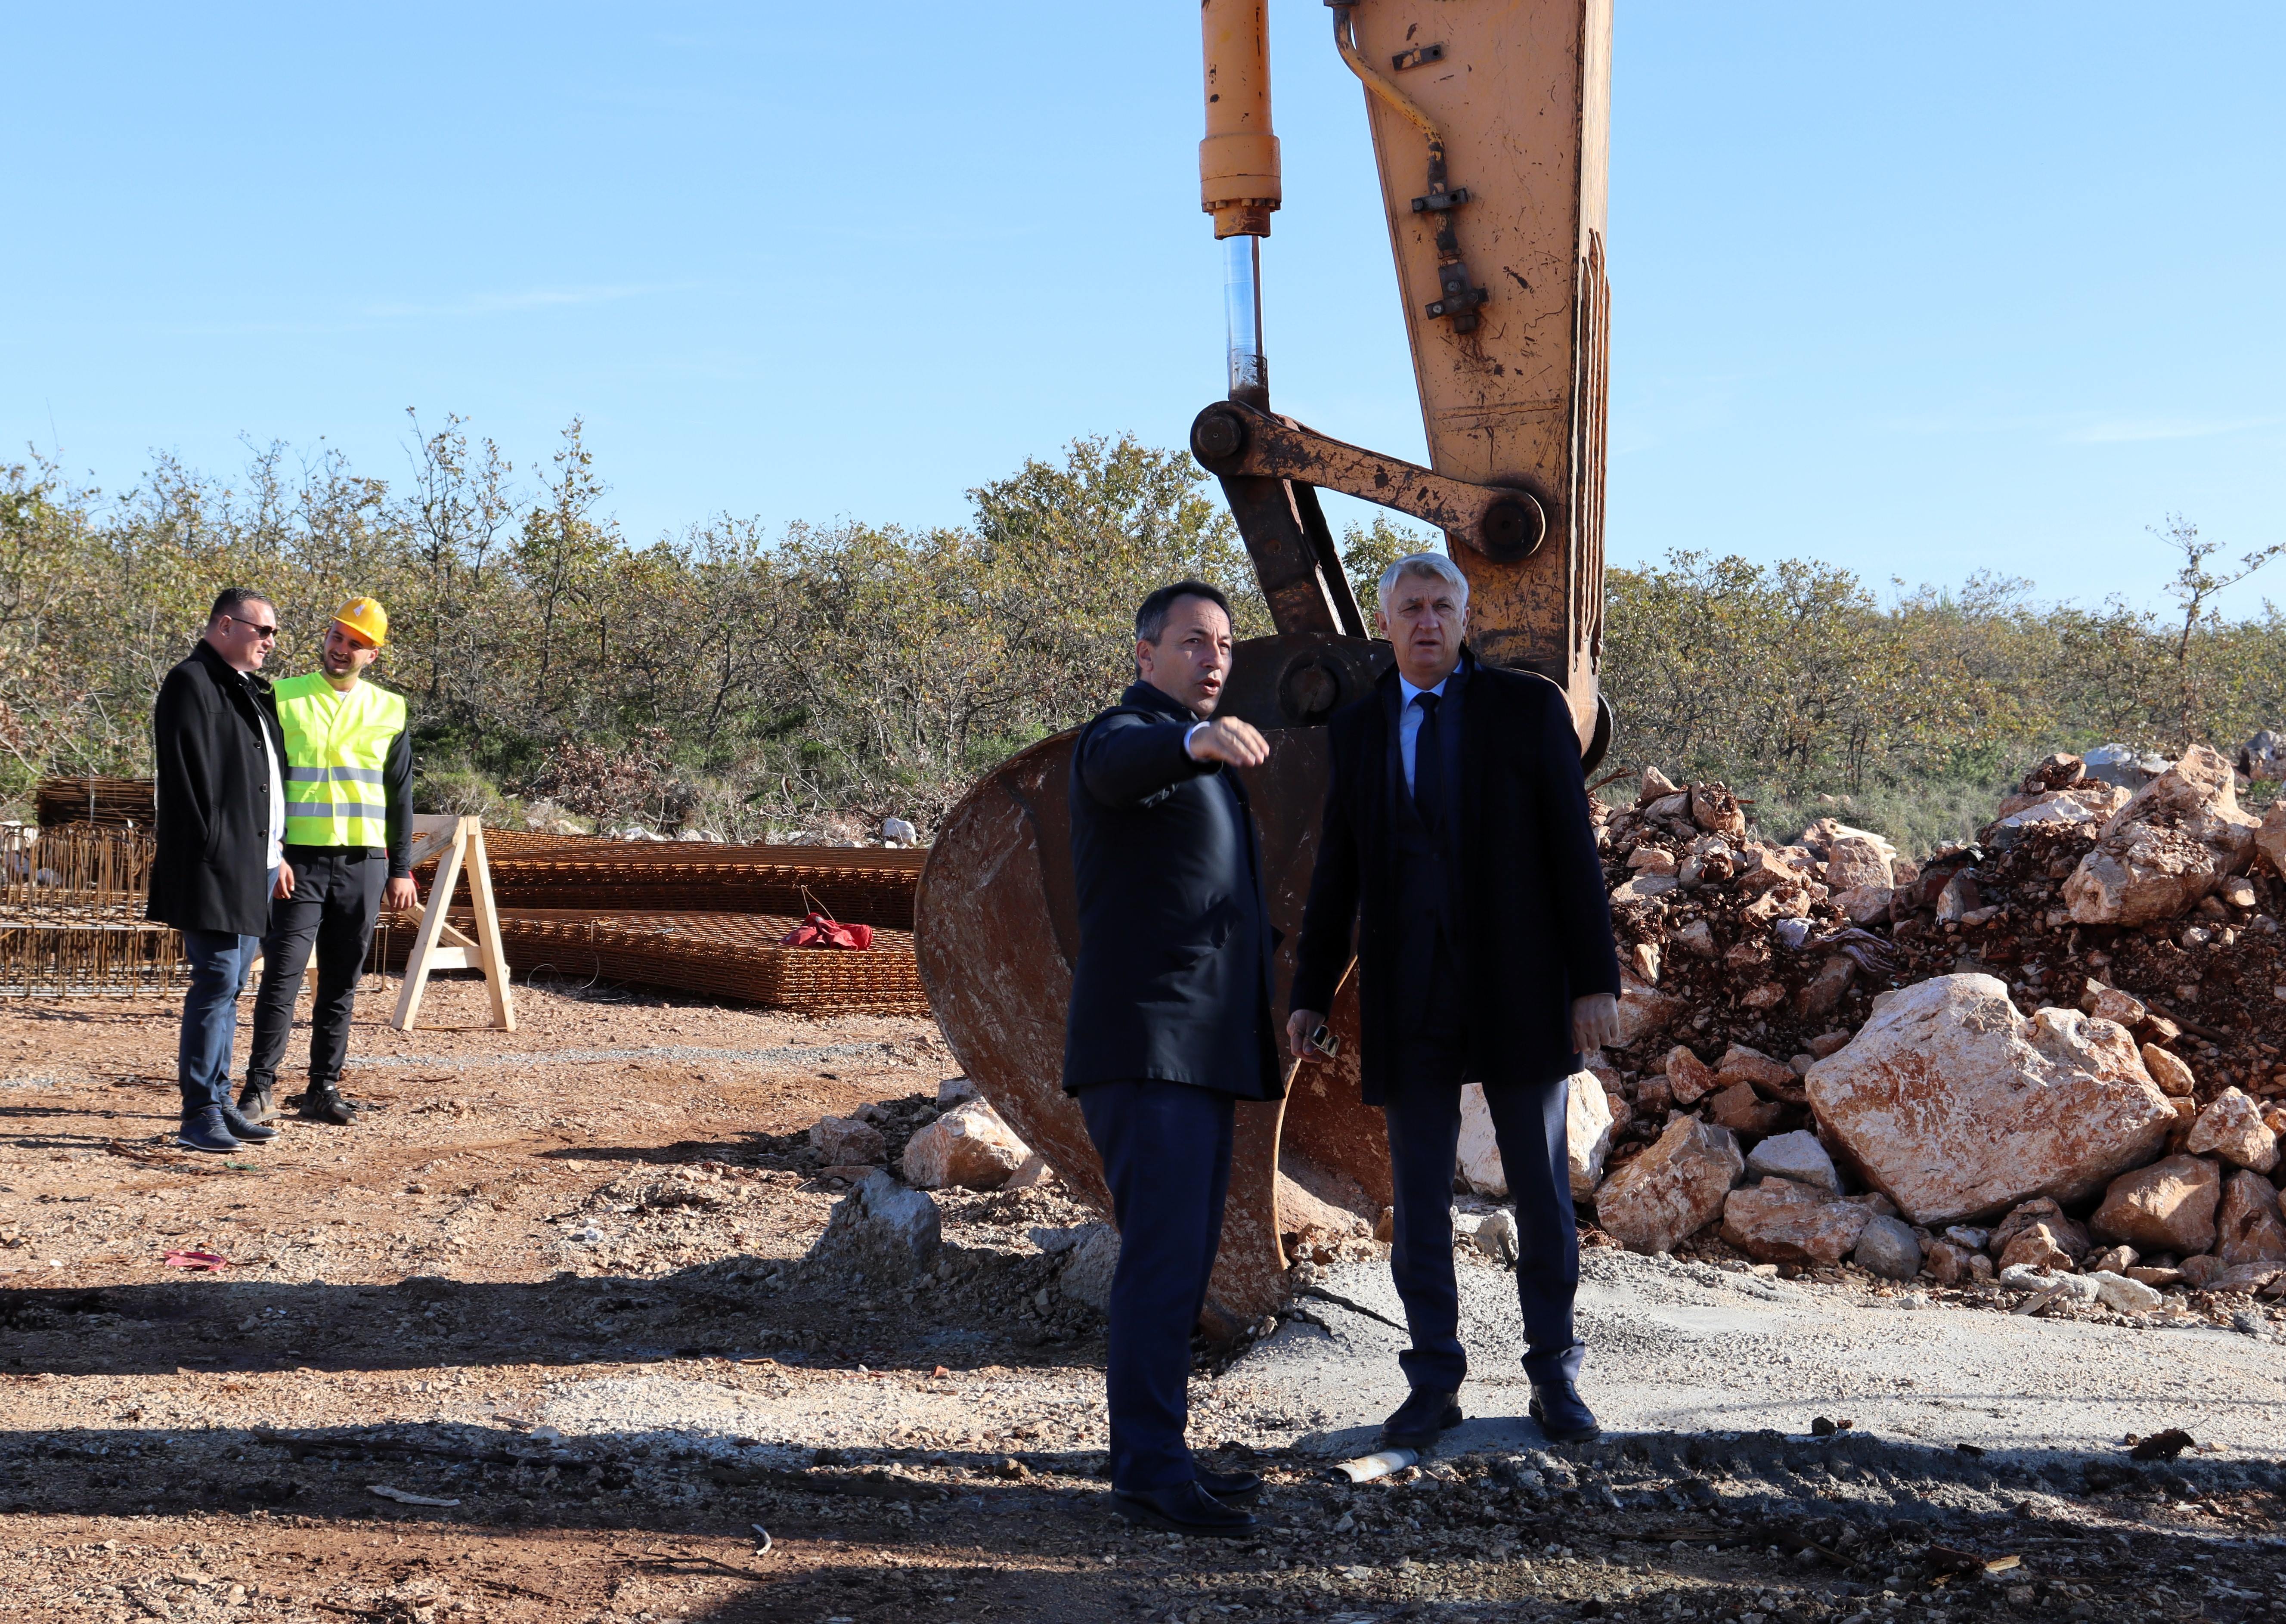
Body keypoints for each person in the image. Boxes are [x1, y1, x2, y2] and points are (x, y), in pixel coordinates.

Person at [1288, 552, 1622, 1448]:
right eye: (1411, 608)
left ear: (1466, 618)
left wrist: (1594, 980)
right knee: (1419, 1201)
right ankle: (1434, 1380)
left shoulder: (1526, 710)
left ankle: (1555, 1374)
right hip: (1410, 995)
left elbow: (1573, 849)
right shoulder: (1357, 729)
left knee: (1542, 1193)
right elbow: (1337, 874)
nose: (1427, 620)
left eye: (1442, 605)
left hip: (1519, 985)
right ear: (1386, 623)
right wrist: (1310, 993)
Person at [1063, 580, 1279, 1537]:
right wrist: (1193, 742)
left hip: (1199, 1051)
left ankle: (1162, 1451)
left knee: (1183, 1264)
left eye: (1225, 643)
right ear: (1145, 655)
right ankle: (1150, 1472)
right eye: (1194, 641)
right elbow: (1116, 766)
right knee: (1161, 1261)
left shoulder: (1201, 760)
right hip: (1148, 1050)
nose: (1215, 657)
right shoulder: (1126, 737)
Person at [239, 598, 417, 1128]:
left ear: (372, 655)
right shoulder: (284, 696)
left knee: (341, 981)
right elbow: (263, 782)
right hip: (298, 863)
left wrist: (400, 868)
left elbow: (399, 795)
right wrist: (273, 853)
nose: (341, 648)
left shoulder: (391, 709)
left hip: (364, 863)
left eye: (355, 643)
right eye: (337, 636)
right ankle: (259, 1088)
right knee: (282, 976)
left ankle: (323, 1088)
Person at [148, 589, 289, 1153]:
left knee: (231, 986)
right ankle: (199, 1113)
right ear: (226, 626)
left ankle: (220, 1100)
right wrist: (216, 851)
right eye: (263, 630)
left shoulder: (245, 689)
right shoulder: (191, 682)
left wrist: (275, 852)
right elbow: (188, 784)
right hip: (217, 865)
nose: (270, 642)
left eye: (274, 633)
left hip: (256, 863)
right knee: (215, 983)